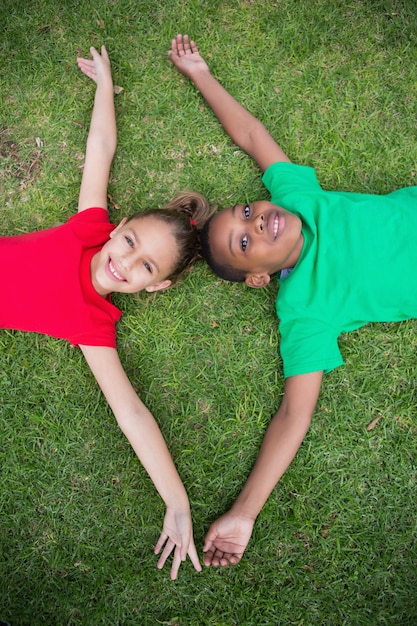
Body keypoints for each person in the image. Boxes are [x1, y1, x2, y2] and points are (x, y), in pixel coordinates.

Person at [168, 34, 417, 568]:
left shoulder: (296, 199)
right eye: (244, 241)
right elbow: (293, 414)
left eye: (243, 211)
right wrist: (244, 512)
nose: (256, 219)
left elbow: (252, 134)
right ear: (259, 278)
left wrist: (201, 75)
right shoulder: (305, 309)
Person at [2, 45, 213, 580]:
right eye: (131, 243)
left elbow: (133, 414)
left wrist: (178, 501)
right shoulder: (87, 230)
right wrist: (103, 85)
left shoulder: (94, 324)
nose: (125, 262)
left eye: (144, 269)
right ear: (117, 227)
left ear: (154, 289)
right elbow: (101, 148)